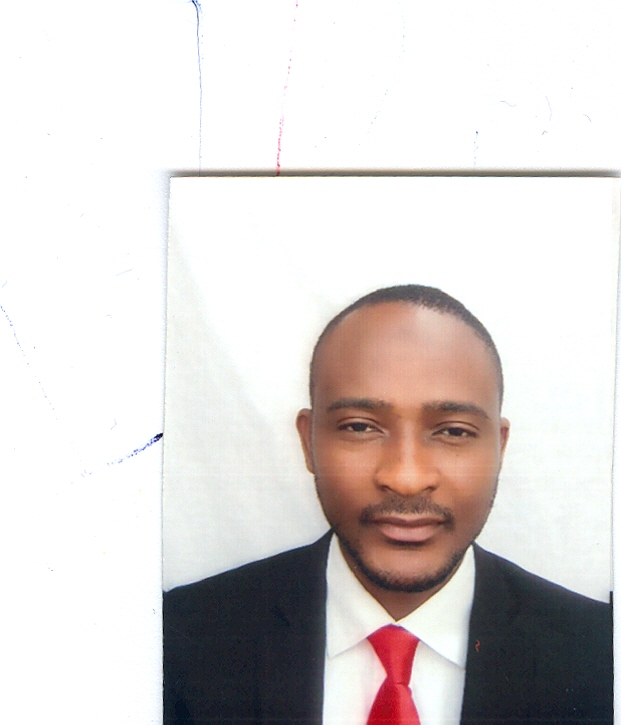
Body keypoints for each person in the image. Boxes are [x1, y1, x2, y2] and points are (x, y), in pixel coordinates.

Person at [163, 284, 612, 725]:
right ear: (308, 441)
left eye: (453, 431)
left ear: (500, 447)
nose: (406, 478)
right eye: (360, 427)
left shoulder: (599, 654)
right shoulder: (178, 641)